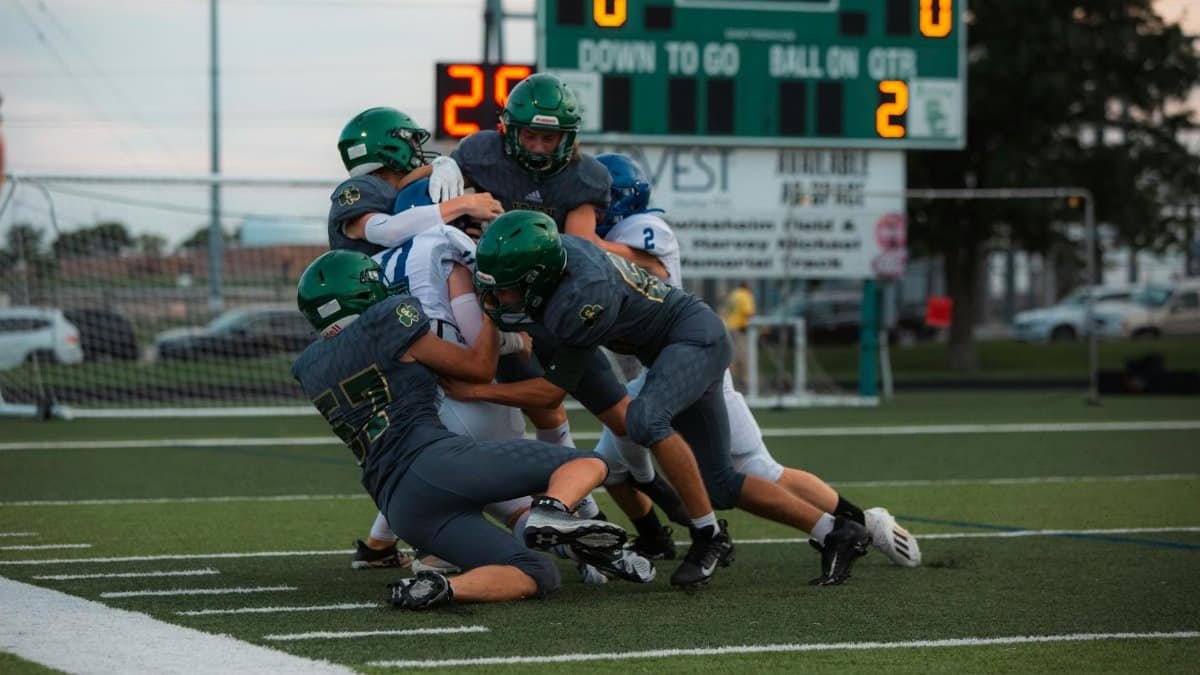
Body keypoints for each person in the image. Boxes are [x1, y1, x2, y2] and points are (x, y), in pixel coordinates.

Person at [459, 210, 873, 588]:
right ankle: (834, 531)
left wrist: (475, 389)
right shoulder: (558, 263)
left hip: (694, 339)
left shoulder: (583, 298)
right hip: (674, 351)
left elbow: (550, 394)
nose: (499, 300)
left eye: (510, 291)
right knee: (722, 485)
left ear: (538, 279)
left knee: (644, 419)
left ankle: (708, 535)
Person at [589, 153, 921, 569]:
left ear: (624, 200)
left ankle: (860, 524)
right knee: (616, 460)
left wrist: (577, 233)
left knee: (750, 469)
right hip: (665, 370)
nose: (594, 213)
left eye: (599, 203)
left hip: (689, 368)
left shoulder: (645, 228)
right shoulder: (615, 234)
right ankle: (660, 533)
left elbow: (620, 263)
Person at [291, 250, 650, 610]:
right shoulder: (387, 319)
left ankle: (443, 587)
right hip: (436, 462)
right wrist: (491, 314)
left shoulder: (310, 367)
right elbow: (477, 368)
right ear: (363, 292)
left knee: (537, 572)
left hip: (398, 504)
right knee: (590, 464)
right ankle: (552, 513)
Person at [327, 106, 502, 257]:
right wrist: (464, 203)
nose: (419, 150)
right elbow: (389, 231)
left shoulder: (411, 190)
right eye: (413, 142)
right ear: (390, 146)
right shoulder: (363, 188)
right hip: (367, 291)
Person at [722, 281, 756, 392]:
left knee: (732, 356)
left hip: (729, 327)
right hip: (739, 329)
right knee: (743, 357)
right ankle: (744, 383)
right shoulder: (745, 295)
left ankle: (731, 382)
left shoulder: (734, 294)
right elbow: (748, 312)